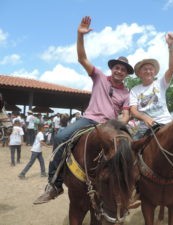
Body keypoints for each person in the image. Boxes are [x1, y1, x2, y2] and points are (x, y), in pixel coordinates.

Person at [33, 16, 133, 205]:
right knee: (60, 137)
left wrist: (121, 125)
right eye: (117, 68)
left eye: (124, 70)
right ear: (112, 69)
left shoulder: (126, 93)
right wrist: (80, 35)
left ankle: (131, 188)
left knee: (132, 149)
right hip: (89, 120)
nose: (120, 71)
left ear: (127, 74)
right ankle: (55, 184)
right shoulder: (99, 77)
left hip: (110, 126)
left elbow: (126, 114)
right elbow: (81, 58)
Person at [130, 32, 173, 140]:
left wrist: (170, 46)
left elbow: (172, 68)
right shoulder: (135, 90)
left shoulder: (161, 83)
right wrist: (144, 117)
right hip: (144, 130)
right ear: (140, 73)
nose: (148, 71)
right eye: (145, 69)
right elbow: (133, 110)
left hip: (165, 125)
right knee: (130, 148)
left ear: (154, 72)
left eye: (151, 69)